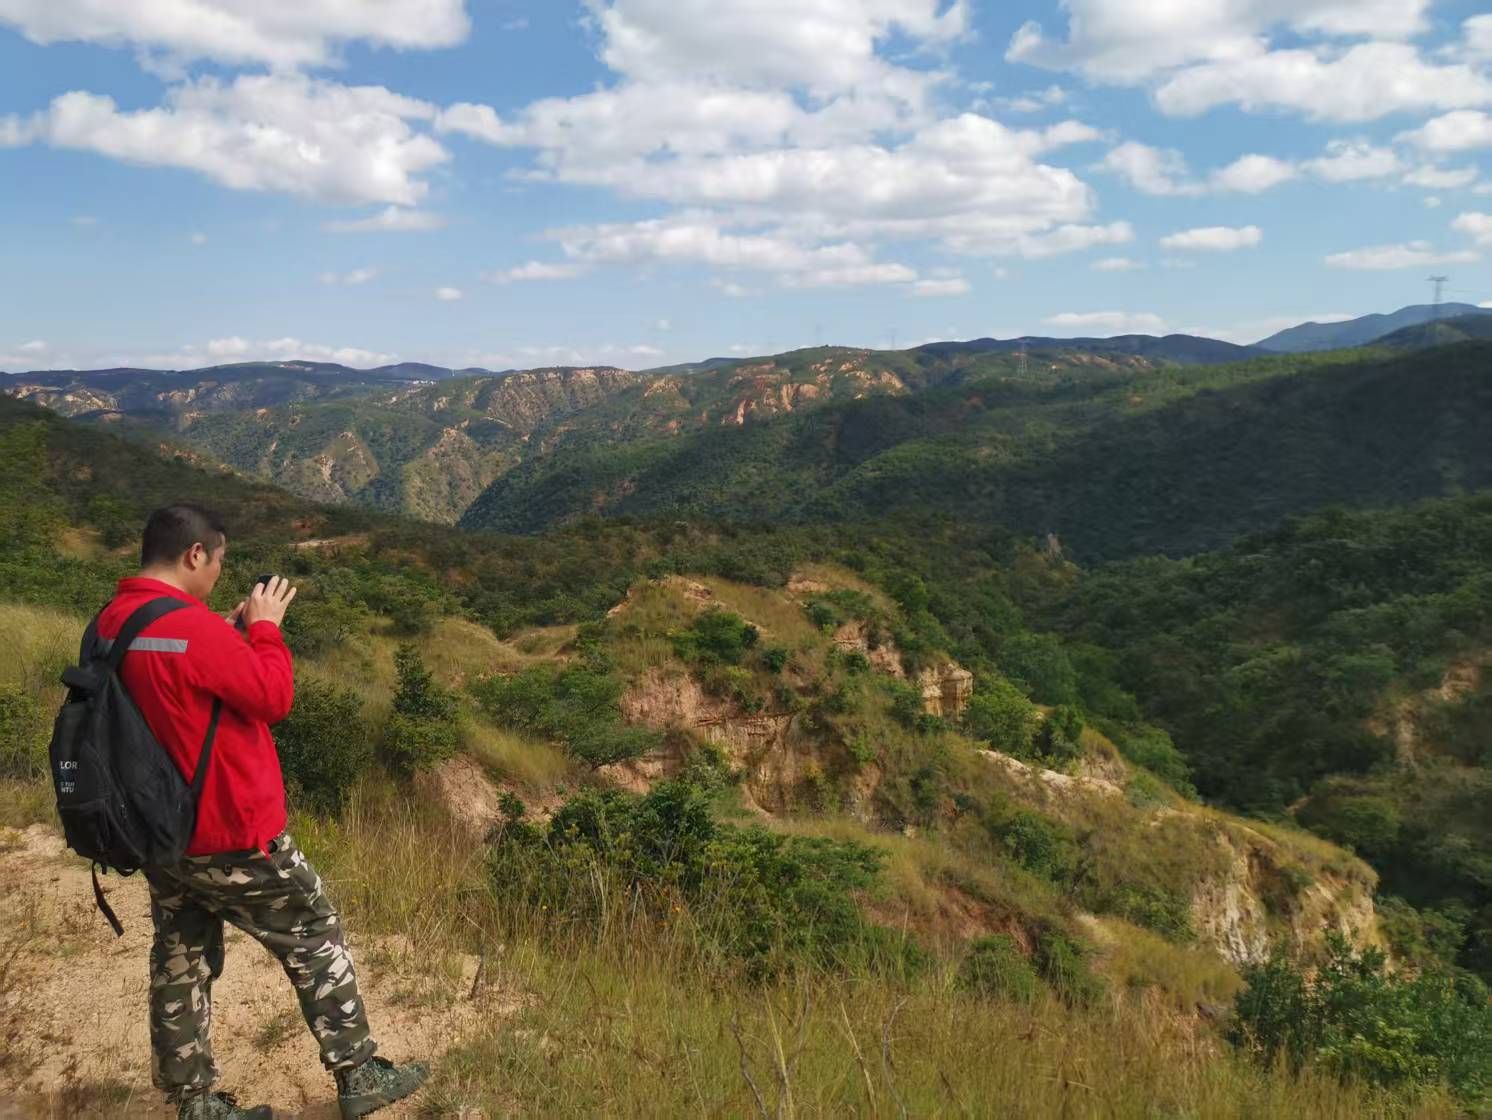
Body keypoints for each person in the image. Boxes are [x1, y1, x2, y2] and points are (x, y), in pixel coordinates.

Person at [96, 503, 427, 1120]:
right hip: (231, 831)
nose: (218, 572)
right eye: (218, 560)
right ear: (196, 553)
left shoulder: (113, 620)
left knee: (181, 956)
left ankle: (194, 1102)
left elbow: (170, 683)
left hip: (157, 831)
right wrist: (265, 629)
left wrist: (224, 632)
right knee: (314, 932)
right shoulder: (193, 630)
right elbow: (273, 697)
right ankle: (358, 1073)